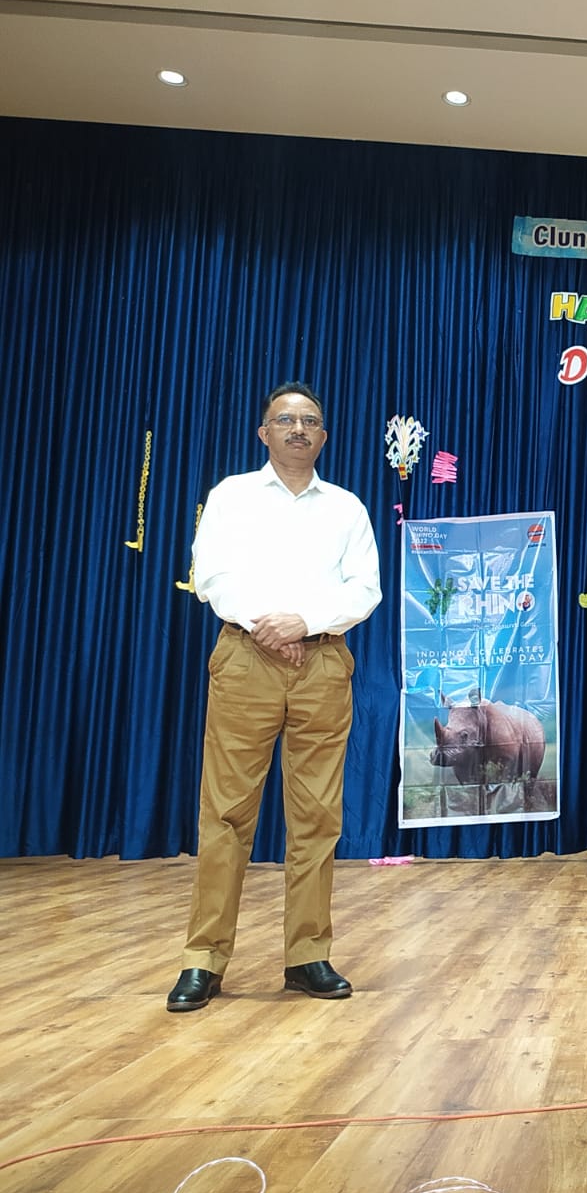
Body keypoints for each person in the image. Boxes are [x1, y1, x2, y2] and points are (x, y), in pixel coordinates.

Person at [165, 381, 382, 1012]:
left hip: (322, 662)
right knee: (226, 813)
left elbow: (363, 588)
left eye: (309, 420)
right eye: (285, 419)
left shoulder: (346, 508)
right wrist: (269, 625)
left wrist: (304, 623)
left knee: (317, 816)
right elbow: (212, 573)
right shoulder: (232, 496)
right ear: (264, 433)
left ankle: (308, 954)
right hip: (245, 657)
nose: (297, 429)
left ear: (323, 436)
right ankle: (203, 959)